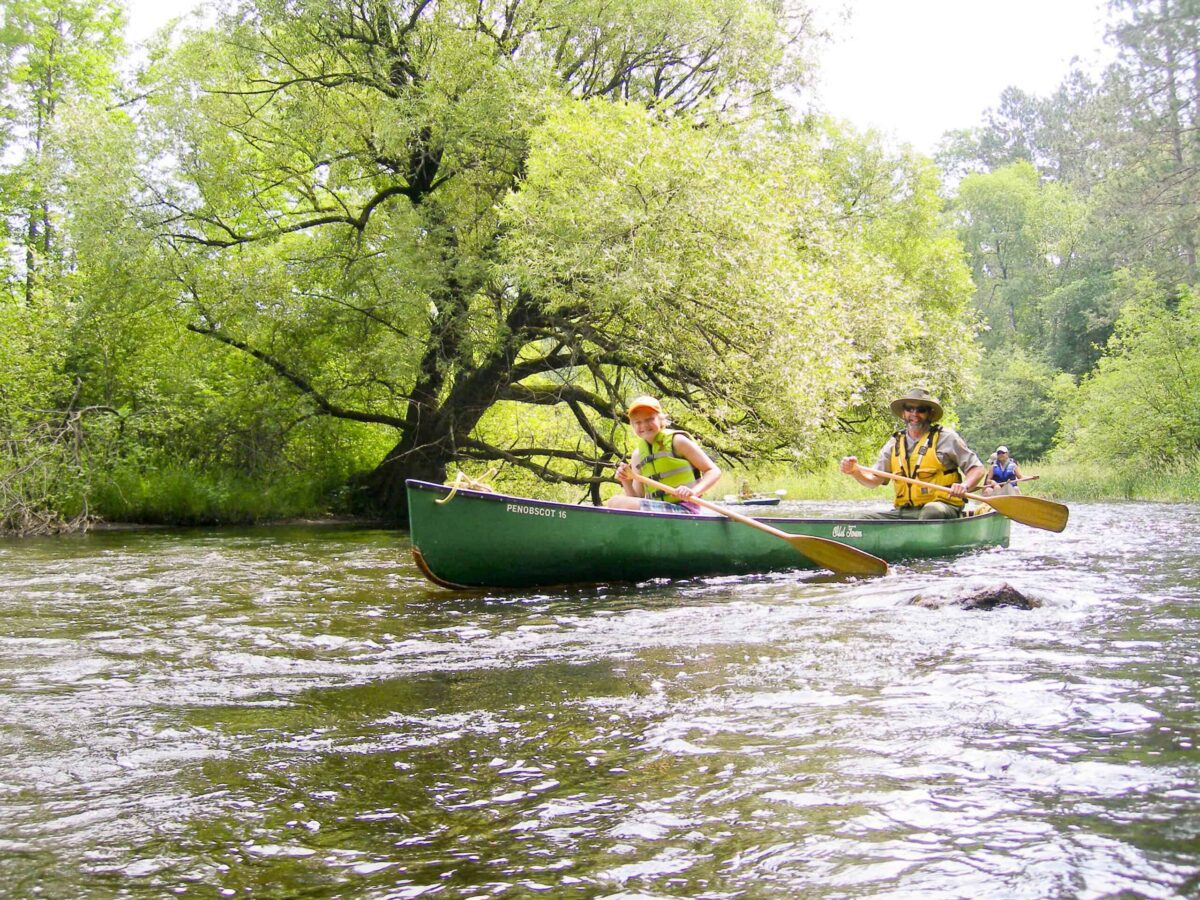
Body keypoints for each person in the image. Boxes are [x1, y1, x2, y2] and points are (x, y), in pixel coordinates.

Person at [839, 387, 986, 519]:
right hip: (906, 511)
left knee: (931, 511)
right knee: (864, 521)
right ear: (904, 413)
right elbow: (873, 481)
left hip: (942, 507)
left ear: (930, 413)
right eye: (910, 409)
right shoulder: (894, 443)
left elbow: (977, 469)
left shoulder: (946, 438)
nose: (914, 414)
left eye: (921, 410)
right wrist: (855, 472)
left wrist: (964, 486)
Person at [607, 395, 722, 514]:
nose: (644, 425)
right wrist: (625, 481)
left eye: (649, 419)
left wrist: (693, 492)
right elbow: (637, 497)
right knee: (614, 502)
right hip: (660, 510)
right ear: (632, 425)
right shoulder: (638, 455)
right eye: (638, 422)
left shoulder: (677, 441)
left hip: (686, 509)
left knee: (615, 502)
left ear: (661, 419)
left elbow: (713, 471)